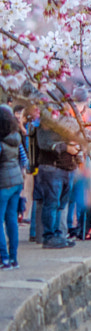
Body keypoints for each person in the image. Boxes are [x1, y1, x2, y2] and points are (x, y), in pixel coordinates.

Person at [0, 106, 21, 269]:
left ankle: (3, 257)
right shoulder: (15, 136)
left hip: (3, 183)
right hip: (16, 181)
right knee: (11, 220)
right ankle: (13, 258)